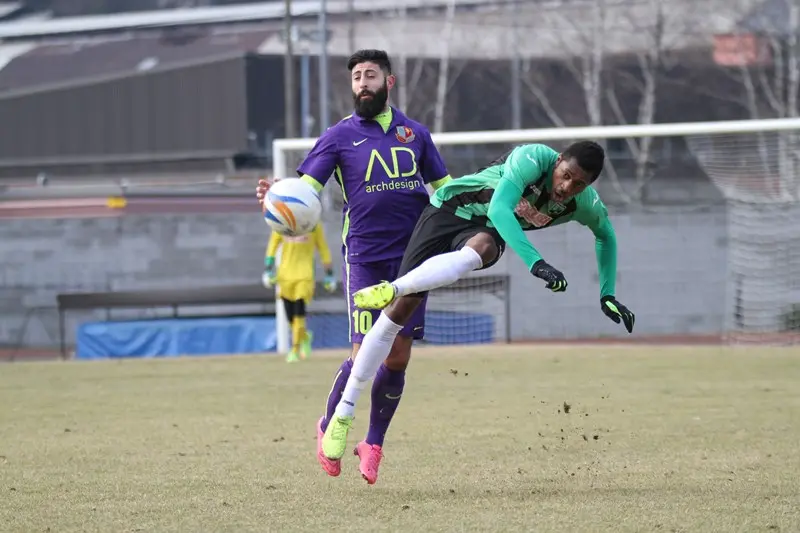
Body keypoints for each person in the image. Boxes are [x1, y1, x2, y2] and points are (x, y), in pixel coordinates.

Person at [320, 141, 636, 465]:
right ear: (558, 163)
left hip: (484, 230)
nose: (567, 187)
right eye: (566, 175)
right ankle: (344, 412)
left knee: (480, 250)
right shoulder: (533, 158)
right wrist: (536, 262)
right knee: (398, 313)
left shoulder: (583, 204)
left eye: (579, 184)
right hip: (446, 209)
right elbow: (500, 207)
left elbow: (606, 235)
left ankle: (394, 287)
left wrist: (607, 294)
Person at [256, 49, 451, 484]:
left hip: (413, 257)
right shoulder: (339, 136)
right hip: (365, 254)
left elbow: (445, 188)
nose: (362, 83)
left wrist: (474, 207)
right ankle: (328, 424)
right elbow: (304, 189)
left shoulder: (415, 134)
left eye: (370, 75)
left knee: (397, 355)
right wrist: (277, 197)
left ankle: (374, 442)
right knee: (365, 351)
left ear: (389, 81)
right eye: (357, 77)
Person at [262, 221, 336, 363]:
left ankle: (294, 349)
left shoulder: (313, 225)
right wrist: (268, 269)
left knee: (299, 313)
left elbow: (323, 249)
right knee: (290, 317)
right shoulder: (281, 222)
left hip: (304, 276)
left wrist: (329, 274)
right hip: (284, 277)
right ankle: (305, 336)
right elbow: (272, 246)